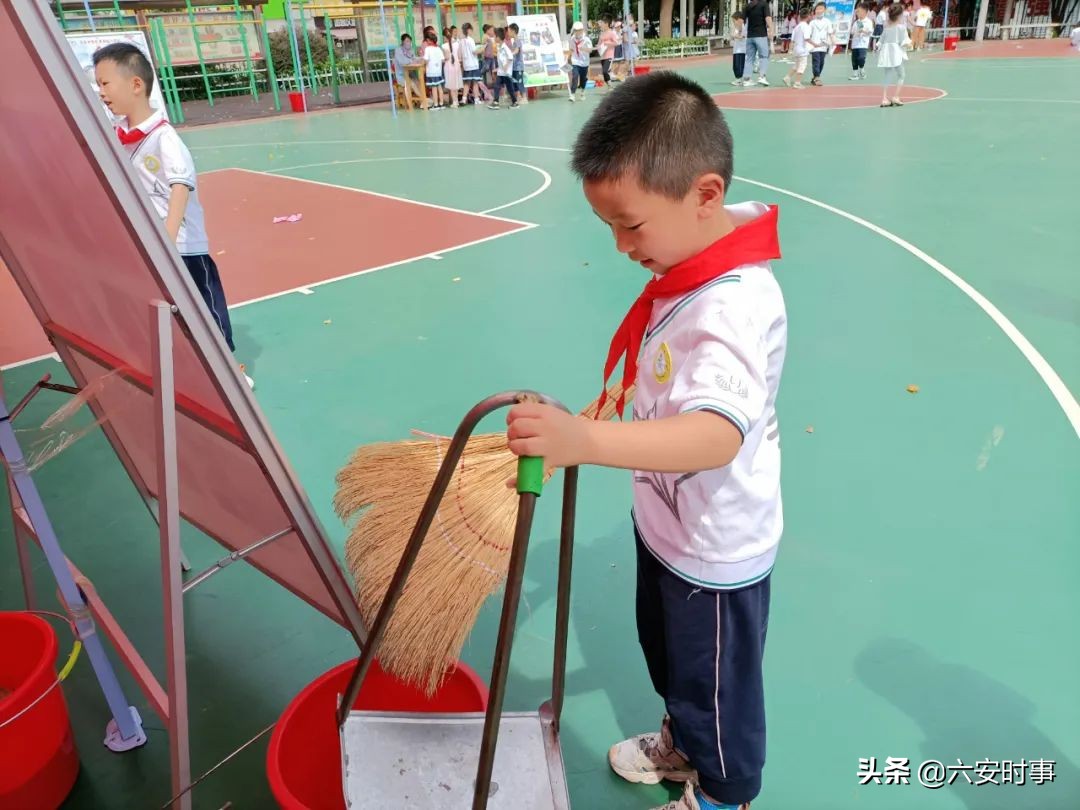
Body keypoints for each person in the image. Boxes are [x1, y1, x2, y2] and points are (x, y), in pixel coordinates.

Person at [506, 71, 786, 810]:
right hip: (669, 527)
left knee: (718, 692)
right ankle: (682, 742)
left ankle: (723, 792)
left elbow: (715, 435)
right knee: (673, 664)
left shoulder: (730, 304)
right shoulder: (689, 268)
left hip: (716, 551)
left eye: (631, 225)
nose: (623, 245)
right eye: (609, 228)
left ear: (705, 194)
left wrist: (587, 440)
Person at [92, 43, 253, 389]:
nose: (100, 92)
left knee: (206, 311)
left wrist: (165, 240)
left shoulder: (164, 137)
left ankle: (230, 371)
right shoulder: (122, 138)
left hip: (182, 247)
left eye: (105, 83)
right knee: (167, 313)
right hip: (154, 247)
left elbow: (181, 186)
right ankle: (186, 369)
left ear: (136, 85)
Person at [877, 2, 912, 106]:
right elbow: (905, 42)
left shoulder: (887, 28)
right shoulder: (901, 28)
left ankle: (884, 98)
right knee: (901, 75)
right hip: (896, 53)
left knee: (887, 76)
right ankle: (896, 97)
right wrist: (910, 44)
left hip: (886, 53)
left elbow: (880, 41)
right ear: (899, 16)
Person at [741, 0, 773, 86]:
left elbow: (741, 20)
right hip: (761, 35)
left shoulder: (747, 6)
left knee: (750, 58)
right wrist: (771, 30)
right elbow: (768, 18)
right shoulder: (764, 4)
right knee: (764, 56)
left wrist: (740, 32)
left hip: (750, 36)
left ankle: (746, 79)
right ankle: (762, 76)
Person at [488, 27, 520, 109]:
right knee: (496, 86)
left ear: (498, 37)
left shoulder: (505, 47)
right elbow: (501, 60)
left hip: (506, 73)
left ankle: (515, 102)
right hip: (501, 72)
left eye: (495, 36)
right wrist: (498, 68)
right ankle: (496, 102)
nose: (494, 38)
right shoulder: (500, 47)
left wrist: (506, 66)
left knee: (510, 88)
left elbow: (510, 57)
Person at [783, 8, 813, 87]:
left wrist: (790, 50)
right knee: (802, 65)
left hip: (796, 49)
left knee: (796, 65)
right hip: (803, 49)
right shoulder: (806, 26)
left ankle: (787, 77)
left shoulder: (797, 27)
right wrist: (815, 44)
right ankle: (797, 82)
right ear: (808, 16)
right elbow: (807, 38)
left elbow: (792, 40)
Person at [807, 1, 835, 86]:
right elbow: (808, 34)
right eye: (817, 9)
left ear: (825, 10)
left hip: (823, 46)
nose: (819, 10)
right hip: (814, 46)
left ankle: (815, 77)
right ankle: (817, 77)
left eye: (821, 8)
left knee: (821, 63)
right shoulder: (812, 22)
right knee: (816, 61)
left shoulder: (827, 21)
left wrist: (833, 41)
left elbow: (830, 33)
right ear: (815, 11)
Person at [393, 34, 423, 104]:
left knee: (418, 82)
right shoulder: (398, 50)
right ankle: (424, 100)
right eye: (407, 41)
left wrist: (421, 58)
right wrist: (412, 61)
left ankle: (421, 101)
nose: (408, 43)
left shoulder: (410, 50)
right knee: (412, 84)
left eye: (409, 41)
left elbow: (414, 58)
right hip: (401, 75)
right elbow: (401, 62)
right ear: (402, 42)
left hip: (410, 73)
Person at [568, 20, 593, 102]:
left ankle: (582, 92)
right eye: (576, 30)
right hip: (575, 60)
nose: (577, 32)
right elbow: (571, 49)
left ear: (582, 30)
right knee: (575, 76)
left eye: (579, 30)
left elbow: (590, 50)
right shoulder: (572, 39)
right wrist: (568, 57)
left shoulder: (586, 39)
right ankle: (572, 94)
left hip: (584, 62)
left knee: (583, 78)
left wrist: (584, 49)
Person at [421, 32, 446, 109]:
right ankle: (441, 104)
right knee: (439, 87)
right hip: (438, 71)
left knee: (434, 88)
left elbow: (426, 60)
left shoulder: (428, 49)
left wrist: (423, 62)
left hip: (431, 72)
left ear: (428, 40)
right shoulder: (438, 48)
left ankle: (435, 105)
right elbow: (443, 60)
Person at [849, 3, 874, 79]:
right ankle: (855, 74)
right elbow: (852, 32)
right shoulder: (856, 22)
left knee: (861, 58)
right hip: (855, 43)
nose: (857, 13)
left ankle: (862, 69)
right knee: (854, 59)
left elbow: (870, 32)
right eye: (857, 11)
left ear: (865, 12)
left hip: (863, 44)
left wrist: (863, 31)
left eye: (859, 11)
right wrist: (854, 32)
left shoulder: (868, 22)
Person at [730, 12, 748, 86]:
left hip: (741, 50)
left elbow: (741, 37)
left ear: (738, 20)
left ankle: (740, 79)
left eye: (734, 21)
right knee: (735, 66)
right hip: (736, 50)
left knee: (739, 66)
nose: (734, 23)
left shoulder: (742, 27)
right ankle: (739, 79)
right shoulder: (737, 28)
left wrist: (734, 36)